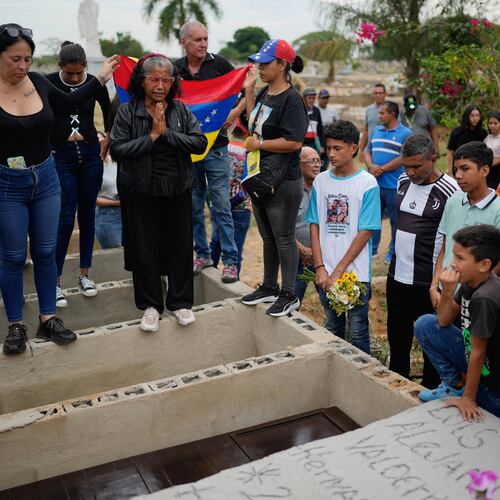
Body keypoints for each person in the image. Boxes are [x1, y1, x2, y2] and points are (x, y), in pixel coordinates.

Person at [0, 23, 117, 354]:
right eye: (14, 59)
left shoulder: (38, 83)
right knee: (11, 255)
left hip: (47, 179)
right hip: (8, 183)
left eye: (28, 59)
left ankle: (48, 319)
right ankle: (16, 325)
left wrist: (101, 78)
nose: (22, 66)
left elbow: (73, 101)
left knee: (46, 251)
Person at [110, 54, 207, 331]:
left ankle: (180, 303)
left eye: (167, 79)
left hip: (177, 188)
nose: (161, 85)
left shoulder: (181, 111)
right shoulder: (128, 112)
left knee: (179, 246)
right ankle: (151, 306)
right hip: (140, 191)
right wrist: (151, 137)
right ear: (142, 81)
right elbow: (117, 149)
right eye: (155, 79)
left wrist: (166, 135)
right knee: (144, 248)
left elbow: (199, 143)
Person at [241, 38, 309, 316]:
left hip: (284, 180)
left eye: (266, 63)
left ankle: (289, 293)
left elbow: (295, 142)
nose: (259, 68)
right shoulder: (266, 94)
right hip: (260, 176)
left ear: (282, 65)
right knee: (268, 238)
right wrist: (248, 92)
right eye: (258, 63)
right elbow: (252, 127)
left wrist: (261, 146)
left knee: (283, 237)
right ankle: (269, 286)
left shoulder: (292, 99)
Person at [387, 134, 458, 388]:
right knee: (397, 336)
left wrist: (438, 282)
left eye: (417, 166)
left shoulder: (451, 190)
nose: (410, 171)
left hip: (428, 281)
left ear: (434, 158)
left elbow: (451, 238)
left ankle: (431, 387)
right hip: (397, 275)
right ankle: (397, 381)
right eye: (406, 165)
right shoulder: (403, 180)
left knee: (430, 338)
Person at [174, 21, 243, 283]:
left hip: (216, 150)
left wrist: (235, 113)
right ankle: (201, 255)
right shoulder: (175, 69)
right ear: (184, 42)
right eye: (197, 40)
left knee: (221, 208)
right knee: (193, 208)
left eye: (205, 39)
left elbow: (246, 90)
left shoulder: (221, 65)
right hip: (187, 152)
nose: (203, 44)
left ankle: (231, 262)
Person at [306, 120, 381, 354]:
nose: (331, 154)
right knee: (331, 330)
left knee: (358, 333)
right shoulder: (321, 181)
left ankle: (362, 381)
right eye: (328, 148)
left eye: (338, 148)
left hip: (355, 274)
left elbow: (365, 231)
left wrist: (339, 270)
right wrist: (320, 267)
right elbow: (314, 225)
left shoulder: (367, 183)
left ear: (354, 148)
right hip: (325, 273)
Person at [45, 41, 110, 306]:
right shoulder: (48, 83)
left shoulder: (94, 82)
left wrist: (108, 139)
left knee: (87, 216)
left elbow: (109, 112)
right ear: (60, 67)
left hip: (90, 153)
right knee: (63, 218)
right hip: (62, 156)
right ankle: (56, 281)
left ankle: (85, 275)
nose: (75, 77)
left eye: (79, 73)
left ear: (85, 67)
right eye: (70, 73)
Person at [415, 224, 500, 420]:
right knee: (426, 325)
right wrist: (447, 290)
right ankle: (454, 386)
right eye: (454, 255)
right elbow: (443, 321)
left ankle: (468, 393)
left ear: (484, 264)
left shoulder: (485, 298)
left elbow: (478, 352)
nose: (453, 263)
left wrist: (469, 399)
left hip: (494, 388)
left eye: (460, 258)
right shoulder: (471, 282)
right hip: (482, 369)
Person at [429, 142, 500, 313]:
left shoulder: (497, 209)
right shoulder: (453, 202)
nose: (458, 175)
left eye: (465, 169)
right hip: (444, 289)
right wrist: (434, 285)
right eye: (456, 169)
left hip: (476, 299)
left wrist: (469, 293)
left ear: (484, 171)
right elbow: (445, 248)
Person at [364, 101, 412, 263]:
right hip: (375, 184)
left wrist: (381, 169)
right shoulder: (376, 130)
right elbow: (367, 151)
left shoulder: (406, 133)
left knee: (395, 220)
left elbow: (404, 157)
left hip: (394, 186)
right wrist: (371, 166)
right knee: (373, 218)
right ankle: (373, 249)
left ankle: (393, 252)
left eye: (382, 113)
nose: (379, 116)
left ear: (392, 114)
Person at [210, 120, 251, 277]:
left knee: (216, 242)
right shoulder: (248, 150)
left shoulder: (221, 147)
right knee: (236, 249)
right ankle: (233, 278)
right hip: (241, 205)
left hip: (219, 204)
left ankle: (207, 272)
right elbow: (249, 178)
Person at [295, 146, 321, 303]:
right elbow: (282, 228)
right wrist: (302, 250)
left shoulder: (324, 189)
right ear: (299, 164)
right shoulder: (291, 190)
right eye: (312, 161)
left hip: (323, 258)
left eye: (319, 161)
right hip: (298, 259)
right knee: (293, 300)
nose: (317, 165)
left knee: (331, 301)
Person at [95, 130, 122, 249]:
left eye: (102, 140)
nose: (100, 143)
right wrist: (118, 203)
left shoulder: (116, 161)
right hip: (107, 216)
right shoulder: (91, 168)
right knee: (116, 257)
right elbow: (91, 199)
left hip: (124, 212)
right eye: (96, 142)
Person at [447, 105, 487, 177]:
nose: (475, 118)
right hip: (458, 168)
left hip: (475, 169)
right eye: (472, 115)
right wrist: (450, 172)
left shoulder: (483, 133)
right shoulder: (456, 132)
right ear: (467, 117)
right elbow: (450, 153)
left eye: (477, 115)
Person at [358, 83, 387, 163]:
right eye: (376, 93)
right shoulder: (368, 109)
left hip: (386, 148)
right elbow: (367, 130)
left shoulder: (391, 109)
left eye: (380, 93)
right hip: (371, 149)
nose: (378, 95)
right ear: (372, 95)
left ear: (385, 94)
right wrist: (361, 149)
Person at [302, 87, 324, 154]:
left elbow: (320, 129)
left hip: (313, 143)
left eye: (313, 98)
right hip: (300, 143)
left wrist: (322, 145)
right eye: (309, 98)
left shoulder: (316, 110)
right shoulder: (298, 110)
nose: (311, 100)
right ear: (304, 98)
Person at [484, 111, 500, 189]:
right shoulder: (488, 138)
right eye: (490, 123)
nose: (492, 125)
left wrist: (489, 164)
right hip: (488, 171)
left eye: (495, 123)